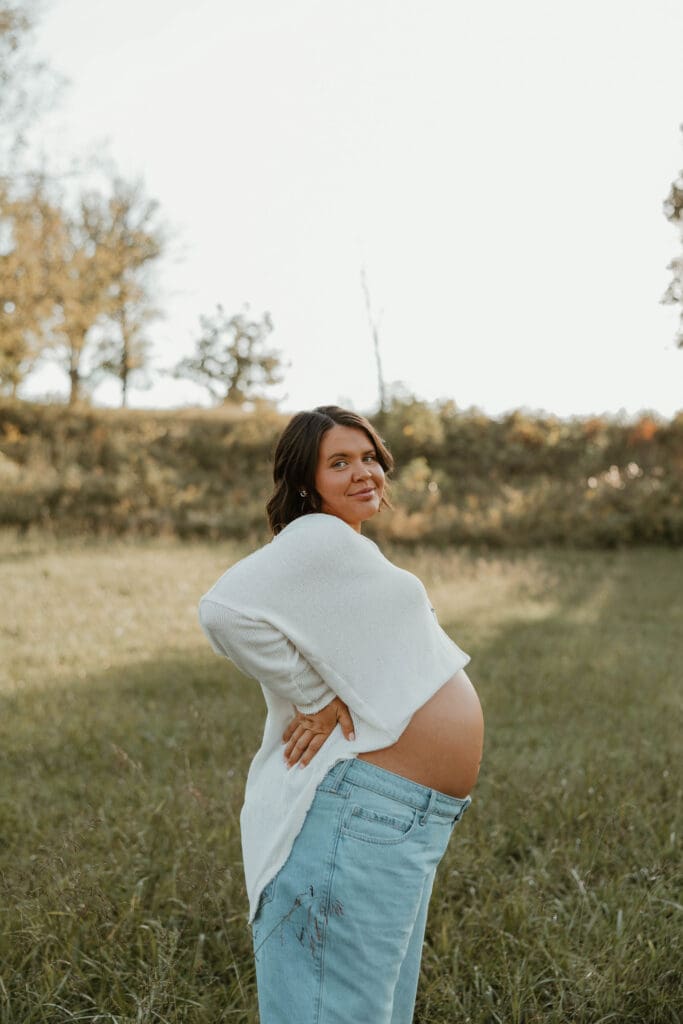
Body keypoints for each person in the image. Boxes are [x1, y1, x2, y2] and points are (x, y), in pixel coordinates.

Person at [198, 405, 484, 1024]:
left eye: (369, 457)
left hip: (398, 816)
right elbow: (222, 610)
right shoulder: (316, 538)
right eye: (339, 462)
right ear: (307, 481)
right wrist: (314, 697)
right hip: (360, 811)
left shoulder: (347, 550)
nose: (363, 472)